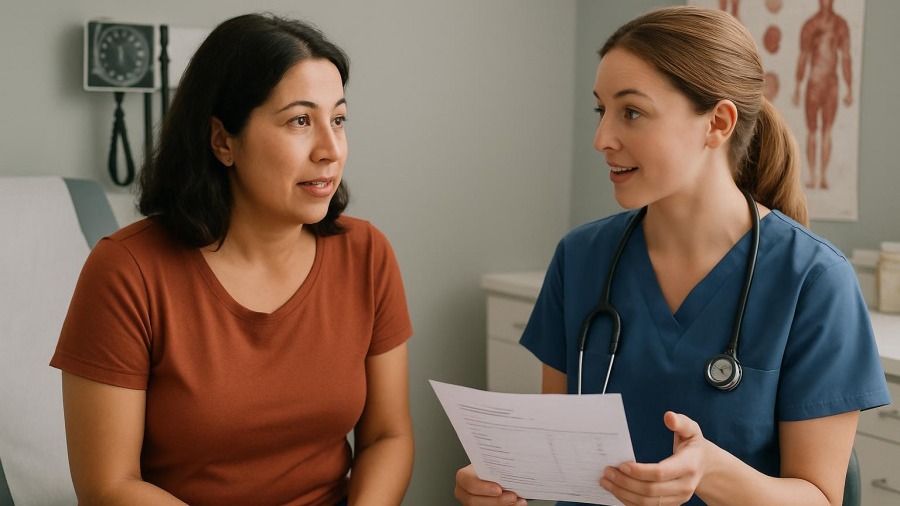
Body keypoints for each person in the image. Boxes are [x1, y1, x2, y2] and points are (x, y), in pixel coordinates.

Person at [455, 6, 889, 506]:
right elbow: (552, 452)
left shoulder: (813, 280)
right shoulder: (580, 258)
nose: (601, 139)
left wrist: (712, 472)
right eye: (601, 111)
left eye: (631, 112)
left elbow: (820, 498)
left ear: (717, 124)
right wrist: (503, 480)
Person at [50, 13, 414, 506]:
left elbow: (387, 436)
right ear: (223, 140)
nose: (331, 150)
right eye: (300, 121)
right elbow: (108, 486)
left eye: (338, 120)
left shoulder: (367, 254)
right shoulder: (126, 272)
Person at [791, 0, 853, 190]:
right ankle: (811, 175)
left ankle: (823, 175)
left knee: (827, 131)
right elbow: (803, 56)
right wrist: (797, 86)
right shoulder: (811, 25)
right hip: (814, 84)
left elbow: (846, 57)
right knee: (812, 130)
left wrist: (849, 87)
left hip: (831, 84)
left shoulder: (840, 25)